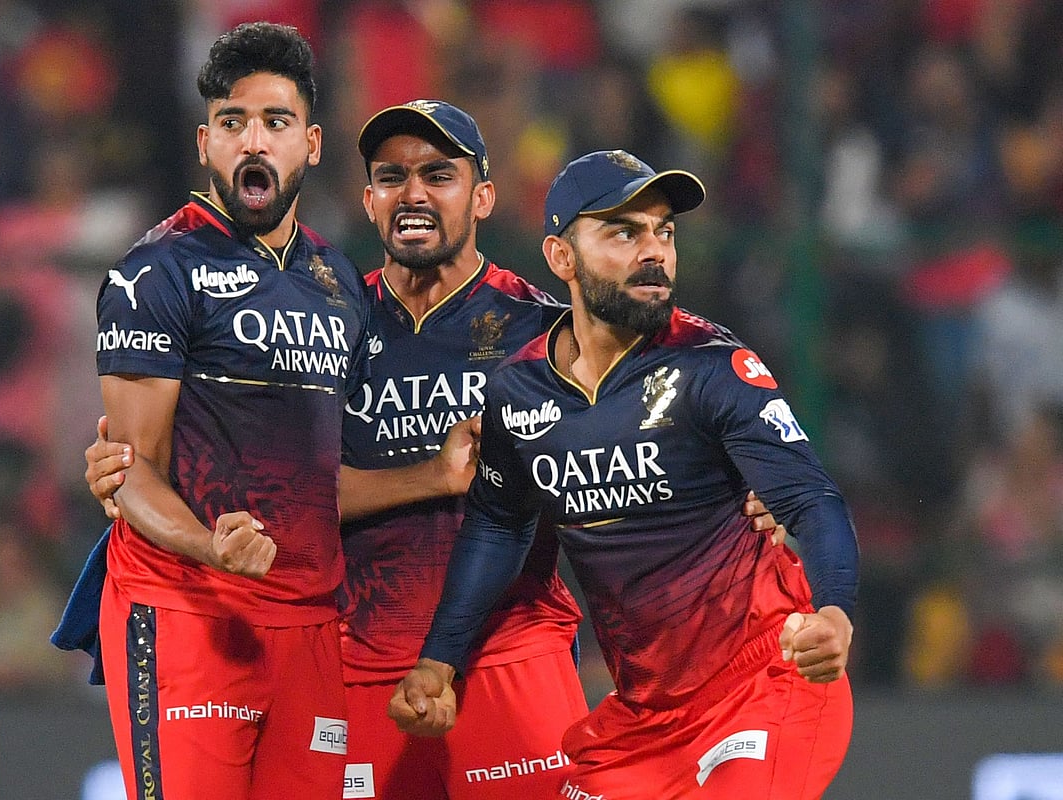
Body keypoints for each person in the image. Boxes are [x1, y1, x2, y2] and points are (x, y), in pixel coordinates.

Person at [81, 106, 788, 798]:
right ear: (369, 200)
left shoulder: (543, 329)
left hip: (509, 654)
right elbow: (283, 490)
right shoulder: (326, 326)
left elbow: (671, 403)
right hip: (358, 669)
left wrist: (749, 487)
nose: (413, 193)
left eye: (439, 175)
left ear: (482, 196)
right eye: (392, 177)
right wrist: (134, 467)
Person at [389, 150, 858, 800]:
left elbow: (812, 499)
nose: (654, 250)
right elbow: (499, 527)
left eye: (663, 231)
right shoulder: (518, 392)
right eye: (623, 231)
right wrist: (439, 661)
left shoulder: (712, 368)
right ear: (561, 257)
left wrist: (834, 610)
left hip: (763, 684)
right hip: (644, 718)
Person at [85, 22, 370, 800]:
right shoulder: (157, 272)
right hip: (190, 612)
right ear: (206, 142)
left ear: (310, 144)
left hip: (310, 626)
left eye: (276, 123)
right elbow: (129, 473)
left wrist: (447, 472)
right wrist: (211, 546)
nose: (254, 141)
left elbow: (338, 473)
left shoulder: (340, 281)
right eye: (234, 123)